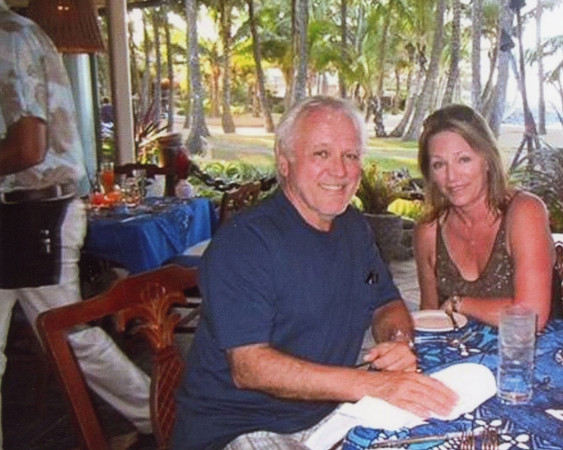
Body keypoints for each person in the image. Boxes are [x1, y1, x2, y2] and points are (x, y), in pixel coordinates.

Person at [173, 96, 457, 450]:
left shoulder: (352, 226)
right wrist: (374, 385)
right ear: (285, 162)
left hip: (325, 417)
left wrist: (397, 340)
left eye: (350, 156)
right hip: (238, 428)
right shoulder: (246, 243)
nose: (340, 171)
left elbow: (385, 303)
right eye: (321, 154)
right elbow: (250, 367)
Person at [0, 2, 153, 447]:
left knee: (66, 333)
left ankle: (160, 408)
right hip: (22, 210)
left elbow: (29, 148)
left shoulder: (9, 37)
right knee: (66, 334)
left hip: (34, 212)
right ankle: (158, 409)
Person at [413, 104, 556, 330]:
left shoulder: (524, 212)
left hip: (530, 355)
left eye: (464, 159)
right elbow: (430, 319)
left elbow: (532, 316)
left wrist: (459, 303)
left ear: (487, 160)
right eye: (439, 164)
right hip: (461, 359)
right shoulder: (429, 232)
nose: (452, 176)